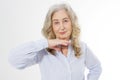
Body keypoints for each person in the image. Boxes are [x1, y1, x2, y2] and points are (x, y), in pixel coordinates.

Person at [9, 3, 102, 80]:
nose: (62, 27)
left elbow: (96, 68)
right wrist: (46, 43)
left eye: (65, 21)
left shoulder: (82, 47)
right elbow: (14, 60)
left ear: (72, 23)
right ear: (51, 26)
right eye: (56, 22)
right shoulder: (43, 50)